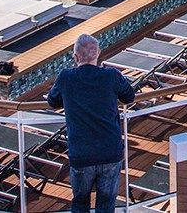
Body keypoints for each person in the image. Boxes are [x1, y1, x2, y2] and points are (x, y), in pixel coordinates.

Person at [47, 33, 136, 213]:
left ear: (75, 57)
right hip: (110, 152)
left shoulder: (66, 77)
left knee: (80, 205)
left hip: (82, 154)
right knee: (106, 206)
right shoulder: (111, 75)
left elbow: (52, 101)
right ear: (98, 54)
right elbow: (129, 96)